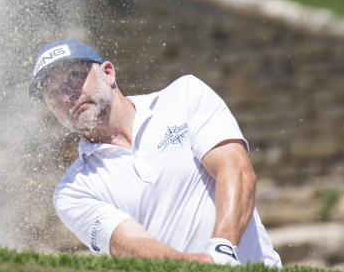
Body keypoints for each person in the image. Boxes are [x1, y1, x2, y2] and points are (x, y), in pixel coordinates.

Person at [30, 39, 282, 266]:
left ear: (108, 72)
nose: (66, 96)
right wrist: (202, 265)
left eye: (74, 77)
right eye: (52, 93)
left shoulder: (184, 97)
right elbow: (130, 246)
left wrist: (223, 249)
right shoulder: (72, 191)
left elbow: (236, 170)